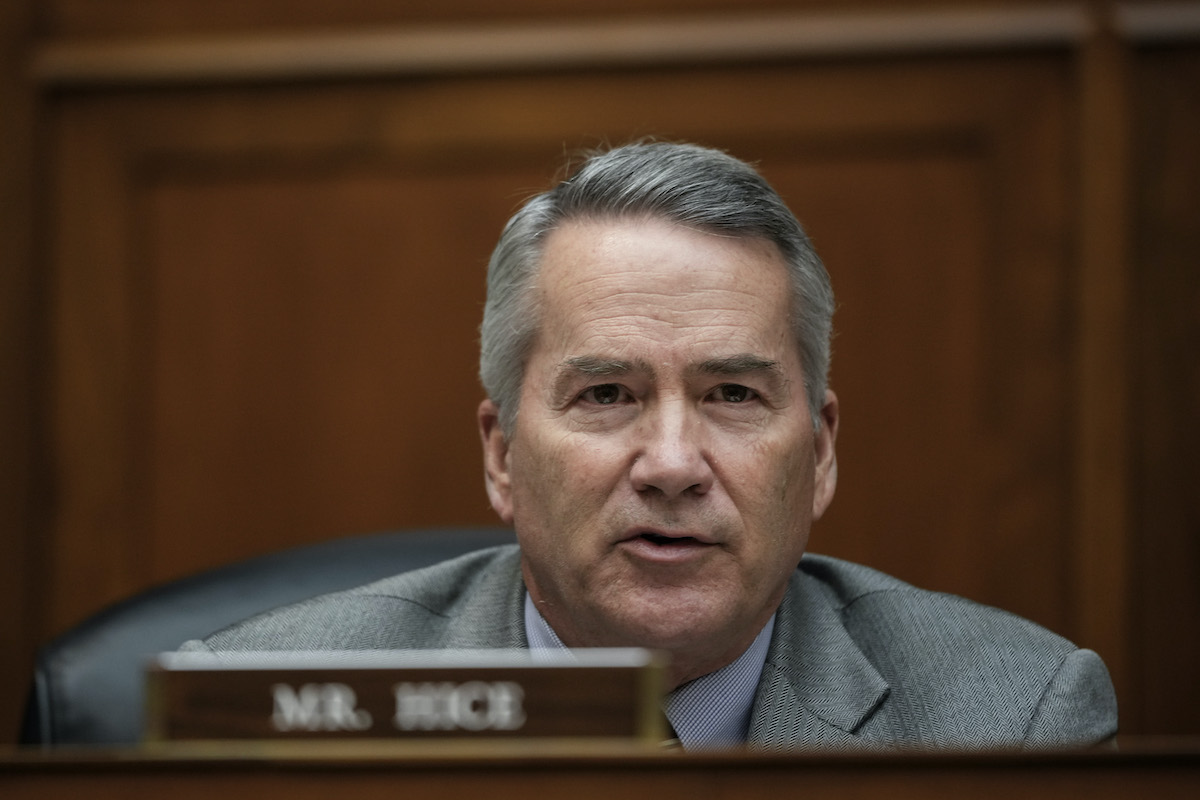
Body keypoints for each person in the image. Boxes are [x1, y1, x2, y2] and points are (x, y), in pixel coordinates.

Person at [184, 141, 1118, 750]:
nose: (672, 463)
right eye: (606, 395)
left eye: (733, 395)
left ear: (821, 452)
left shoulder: (1015, 724)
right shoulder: (264, 718)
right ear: (502, 454)